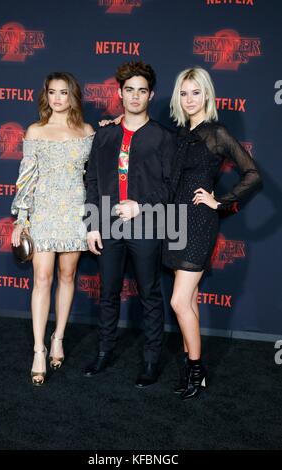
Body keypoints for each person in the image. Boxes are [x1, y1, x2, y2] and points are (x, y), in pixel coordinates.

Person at [163, 67, 261, 400]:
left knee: (178, 301)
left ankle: (194, 368)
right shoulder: (177, 135)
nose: (189, 99)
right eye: (183, 92)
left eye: (195, 92)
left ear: (207, 95)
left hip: (200, 223)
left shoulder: (217, 133)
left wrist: (219, 201)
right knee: (188, 300)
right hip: (174, 222)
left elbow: (252, 175)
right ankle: (198, 371)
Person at [84, 61, 175, 387]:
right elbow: (92, 180)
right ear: (120, 93)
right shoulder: (105, 134)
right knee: (107, 292)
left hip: (147, 225)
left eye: (142, 90)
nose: (135, 96)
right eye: (129, 90)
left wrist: (141, 205)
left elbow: (170, 186)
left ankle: (151, 361)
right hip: (107, 224)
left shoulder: (164, 137)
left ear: (151, 95)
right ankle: (104, 352)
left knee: (150, 293)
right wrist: (92, 224)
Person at [11, 72, 94, 386]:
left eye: (64, 92)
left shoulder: (87, 131)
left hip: (74, 211)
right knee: (42, 278)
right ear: (45, 96)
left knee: (67, 276)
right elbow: (26, 178)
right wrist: (21, 219)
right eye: (52, 92)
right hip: (44, 213)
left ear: (73, 95)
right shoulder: (35, 130)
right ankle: (38, 349)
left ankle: (59, 337)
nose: (57, 98)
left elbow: (97, 170)